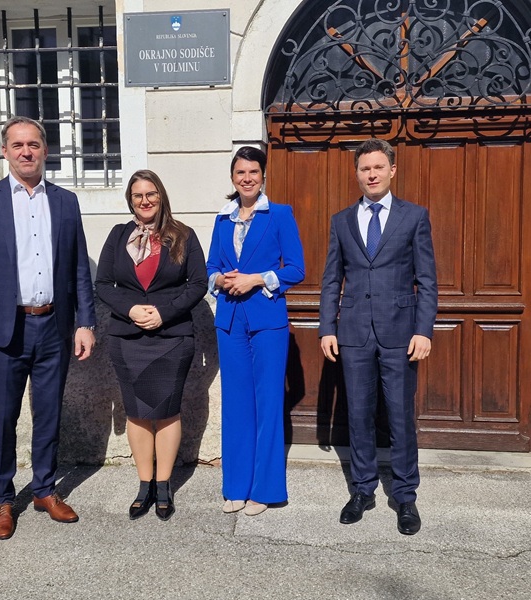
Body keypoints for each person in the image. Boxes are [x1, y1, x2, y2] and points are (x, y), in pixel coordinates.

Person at [0, 116, 96, 540]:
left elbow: (78, 269)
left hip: (54, 325)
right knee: (3, 416)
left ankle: (44, 490)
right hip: (4, 329)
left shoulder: (65, 202)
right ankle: (1, 498)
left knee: (49, 413)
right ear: (5, 151)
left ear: (45, 150)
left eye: (33, 144)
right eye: (18, 145)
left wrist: (85, 322)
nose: (26, 152)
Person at [319, 138, 438, 535]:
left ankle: (405, 496)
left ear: (392, 171)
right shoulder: (341, 221)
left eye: (377, 167)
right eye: (364, 168)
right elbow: (331, 279)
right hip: (353, 333)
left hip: (400, 333)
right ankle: (362, 490)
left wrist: (423, 330)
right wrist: (327, 327)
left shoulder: (414, 217)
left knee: (400, 417)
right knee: (358, 415)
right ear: (357, 174)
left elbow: (427, 280)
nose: (371, 174)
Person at [96, 170, 207, 521]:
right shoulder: (118, 236)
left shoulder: (183, 235)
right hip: (128, 337)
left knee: (167, 411)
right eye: (138, 195)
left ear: (161, 196)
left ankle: (164, 485)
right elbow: (103, 284)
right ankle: (144, 485)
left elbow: (198, 283)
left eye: (151, 194)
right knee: (137, 412)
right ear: (130, 201)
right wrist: (129, 309)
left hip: (171, 338)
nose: (145, 201)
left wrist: (164, 313)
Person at [206, 146, 305, 516]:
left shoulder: (279, 215)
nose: (246, 178)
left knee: (267, 404)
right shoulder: (222, 219)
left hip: (267, 322)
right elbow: (210, 267)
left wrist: (256, 279)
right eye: (240, 172)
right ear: (233, 178)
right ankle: (235, 486)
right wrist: (220, 280)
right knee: (235, 404)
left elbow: (296, 269)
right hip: (229, 321)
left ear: (263, 175)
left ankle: (264, 490)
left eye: (253, 172)